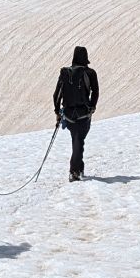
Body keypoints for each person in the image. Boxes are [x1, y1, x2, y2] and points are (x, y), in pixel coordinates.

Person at [53, 46, 99, 181]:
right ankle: (74, 171)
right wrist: (92, 107)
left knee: (77, 140)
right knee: (79, 140)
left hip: (68, 114)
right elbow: (95, 92)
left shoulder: (65, 73)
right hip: (84, 114)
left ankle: (79, 168)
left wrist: (57, 112)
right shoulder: (90, 73)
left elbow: (56, 95)